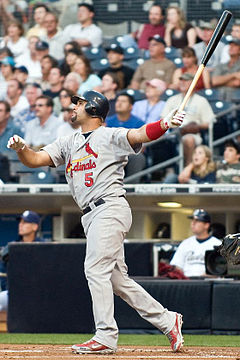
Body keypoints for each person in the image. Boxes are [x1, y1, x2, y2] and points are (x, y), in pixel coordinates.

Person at [7, 90, 186, 354]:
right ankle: (167, 319)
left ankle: (105, 335)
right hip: (91, 216)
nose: (73, 106)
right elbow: (35, 160)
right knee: (116, 280)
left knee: (94, 269)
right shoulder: (68, 141)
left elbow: (138, 134)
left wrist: (165, 124)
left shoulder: (109, 135)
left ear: (92, 108)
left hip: (109, 206)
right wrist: (22, 148)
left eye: (78, 103)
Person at [161, 72, 215, 165]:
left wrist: (195, 126)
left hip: (192, 132)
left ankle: (188, 166)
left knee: (189, 139)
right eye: (181, 80)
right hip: (173, 131)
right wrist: (174, 126)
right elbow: (163, 119)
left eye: (186, 81)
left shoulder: (201, 100)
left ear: (194, 83)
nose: (182, 82)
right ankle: (167, 170)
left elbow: (208, 122)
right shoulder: (172, 99)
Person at [0, 210, 44, 312]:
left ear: (35, 227)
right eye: (20, 222)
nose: (20, 225)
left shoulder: (44, 247)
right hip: (15, 294)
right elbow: (3, 274)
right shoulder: (10, 248)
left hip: (39, 295)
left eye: (25, 222)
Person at [106, 93, 146, 183]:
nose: (119, 104)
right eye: (118, 101)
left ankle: (131, 187)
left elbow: (142, 147)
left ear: (130, 106)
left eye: (123, 101)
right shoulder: (107, 121)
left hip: (130, 154)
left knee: (138, 157)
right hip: (111, 153)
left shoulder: (139, 123)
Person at [170, 209, 221, 277]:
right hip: (188, 282)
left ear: (206, 225)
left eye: (197, 221)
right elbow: (177, 266)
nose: (193, 223)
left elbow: (221, 269)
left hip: (208, 282)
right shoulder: (185, 243)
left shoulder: (217, 244)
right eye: (192, 220)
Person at [211, 38, 240, 102]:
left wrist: (221, 81)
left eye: (235, 45)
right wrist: (233, 75)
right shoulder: (221, 65)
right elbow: (214, 81)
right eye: (230, 45)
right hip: (218, 97)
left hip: (235, 99)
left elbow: (237, 83)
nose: (231, 47)